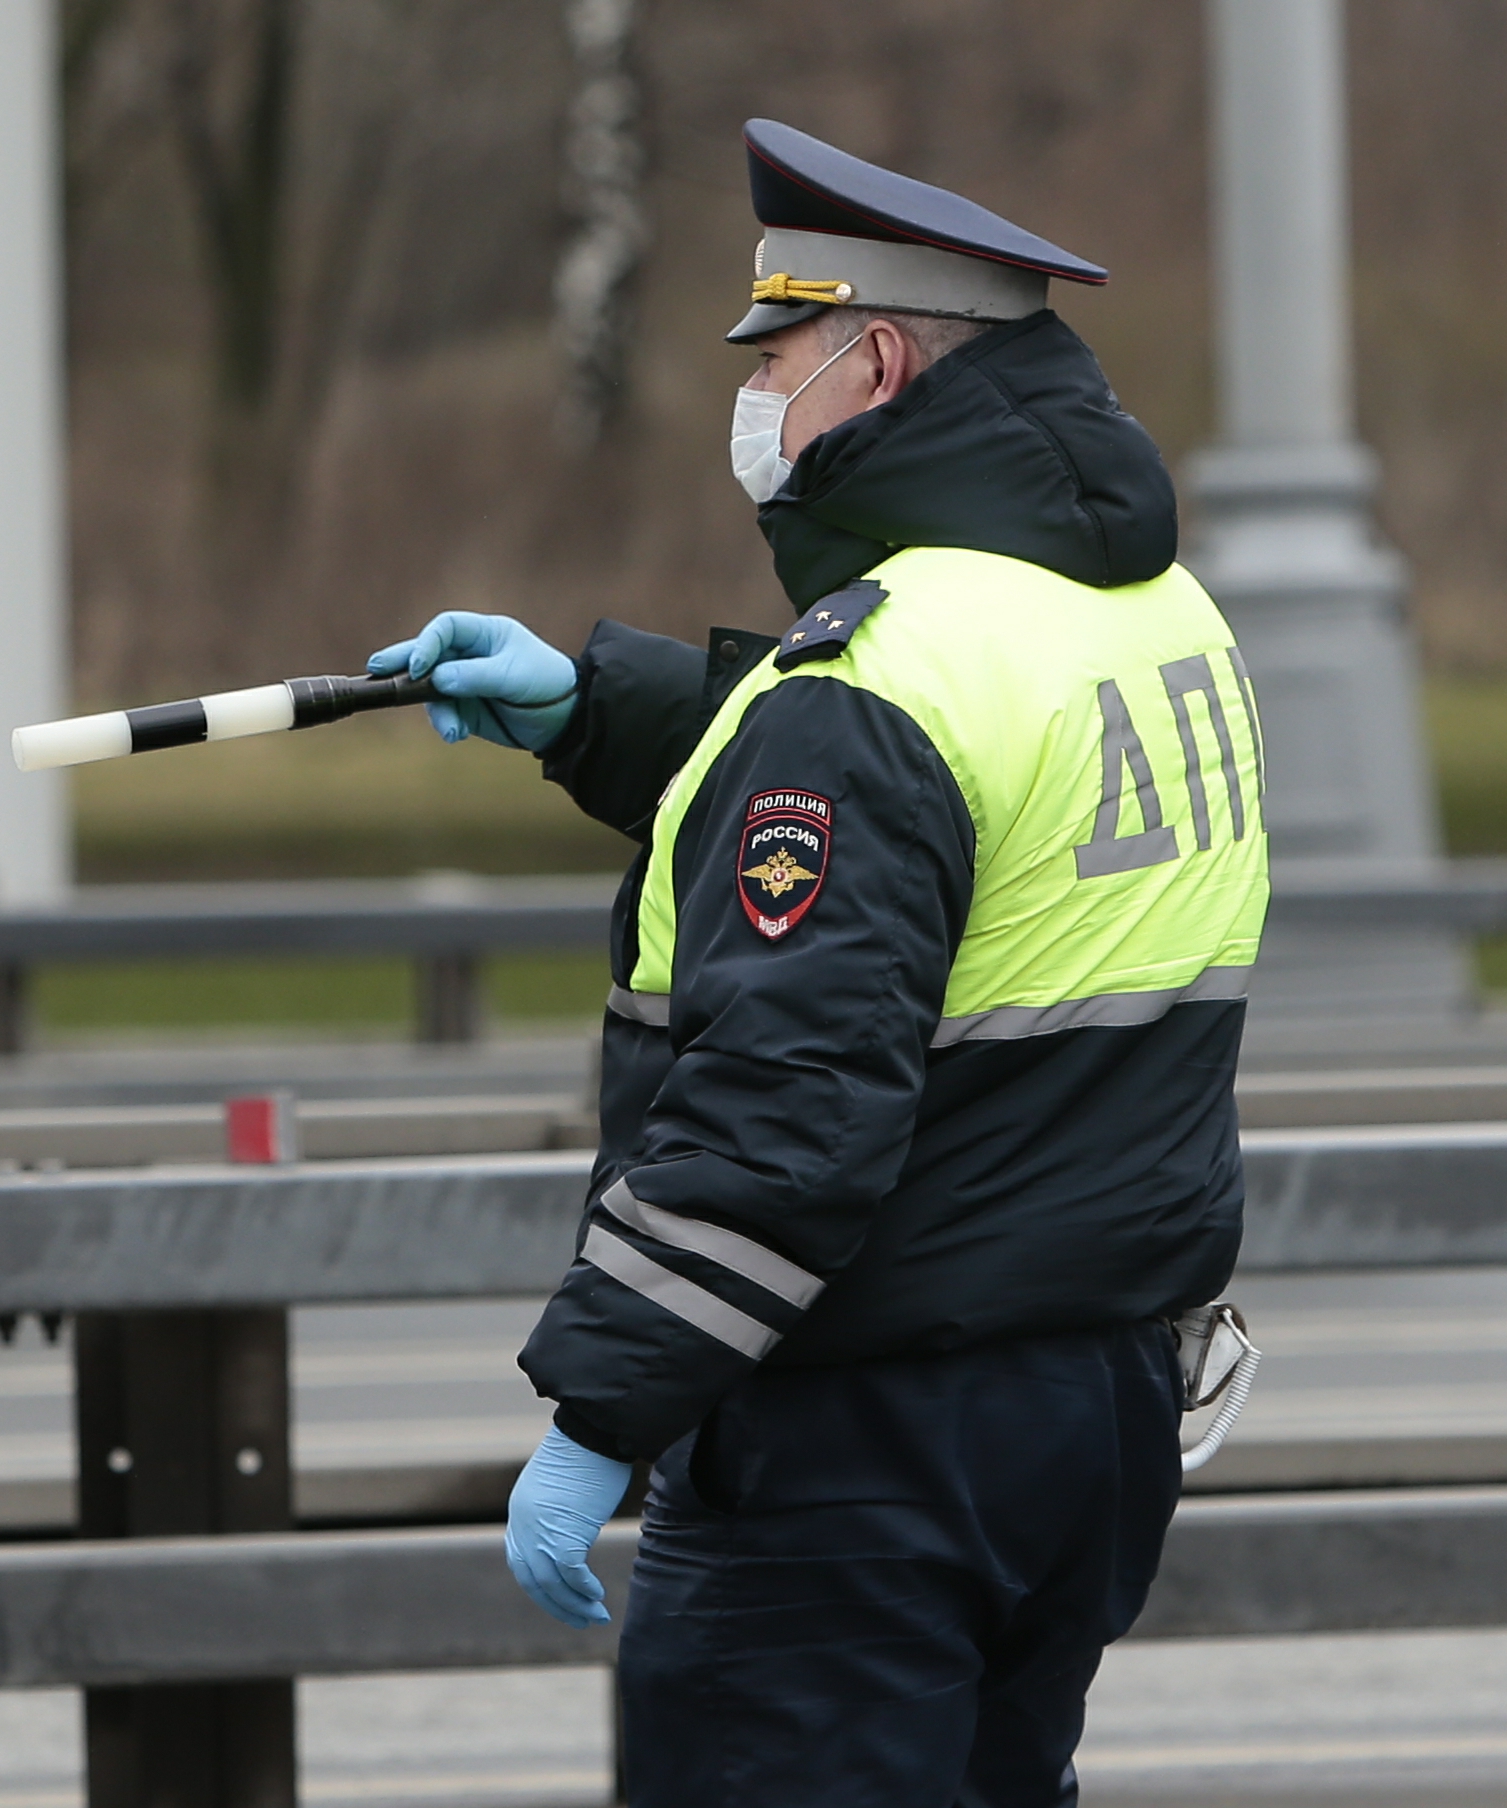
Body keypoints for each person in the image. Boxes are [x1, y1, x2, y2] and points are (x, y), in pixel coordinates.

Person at [367, 118, 1269, 1807]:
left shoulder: (877, 677)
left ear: (873, 358)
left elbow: (790, 1097)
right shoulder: (1147, 613)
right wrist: (599, 711)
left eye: (775, 352)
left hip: (870, 1449)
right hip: (1091, 1409)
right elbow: (954, 846)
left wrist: (599, 1412)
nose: (756, 394)